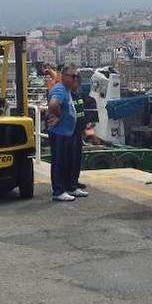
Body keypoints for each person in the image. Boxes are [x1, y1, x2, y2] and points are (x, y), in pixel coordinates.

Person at [46, 64, 87, 201]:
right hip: (59, 132)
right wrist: (58, 115)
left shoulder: (67, 89)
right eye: (73, 76)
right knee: (59, 161)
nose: (76, 78)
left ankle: (70, 187)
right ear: (63, 77)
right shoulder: (59, 89)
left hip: (67, 132)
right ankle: (58, 191)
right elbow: (53, 104)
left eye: (77, 76)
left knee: (68, 160)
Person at [70, 75, 88, 194]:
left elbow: (81, 113)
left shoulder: (78, 95)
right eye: (76, 82)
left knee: (77, 159)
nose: (78, 84)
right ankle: (71, 184)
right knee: (71, 159)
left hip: (78, 131)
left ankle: (75, 181)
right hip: (71, 132)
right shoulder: (68, 96)